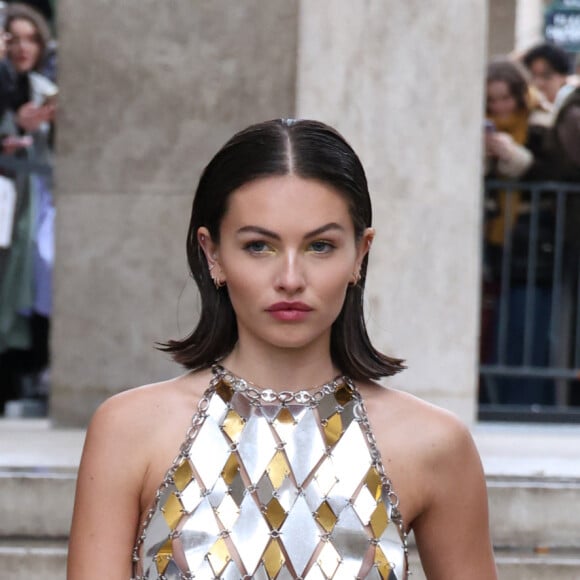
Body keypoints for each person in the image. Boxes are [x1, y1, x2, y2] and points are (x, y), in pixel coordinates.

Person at [67, 119, 497, 579]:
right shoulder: (129, 429)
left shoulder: (433, 443)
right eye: (259, 246)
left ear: (360, 254)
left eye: (320, 245)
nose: (290, 278)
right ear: (212, 254)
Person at [0, 2, 56, 411]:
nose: (20, 47)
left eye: (29, 38)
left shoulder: (37, 86)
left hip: (33, 197)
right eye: (11, 38)